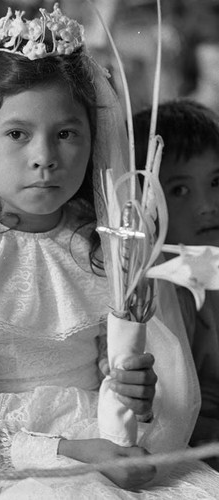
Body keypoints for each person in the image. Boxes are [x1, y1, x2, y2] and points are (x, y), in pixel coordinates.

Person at [0, 6, 219, 499]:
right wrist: (64, 453)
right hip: (2, 466)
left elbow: (114, 376)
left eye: (66, 134)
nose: (44, 156)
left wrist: (128, 394)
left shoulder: (105, 246)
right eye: (17, 134)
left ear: (92, 142)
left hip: (101, 444)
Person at [133, 99, 219, 470]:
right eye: (181, 190)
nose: (208, 206)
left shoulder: (209, 260)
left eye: (216, 182)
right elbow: (170, 419)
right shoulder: (158, 289)